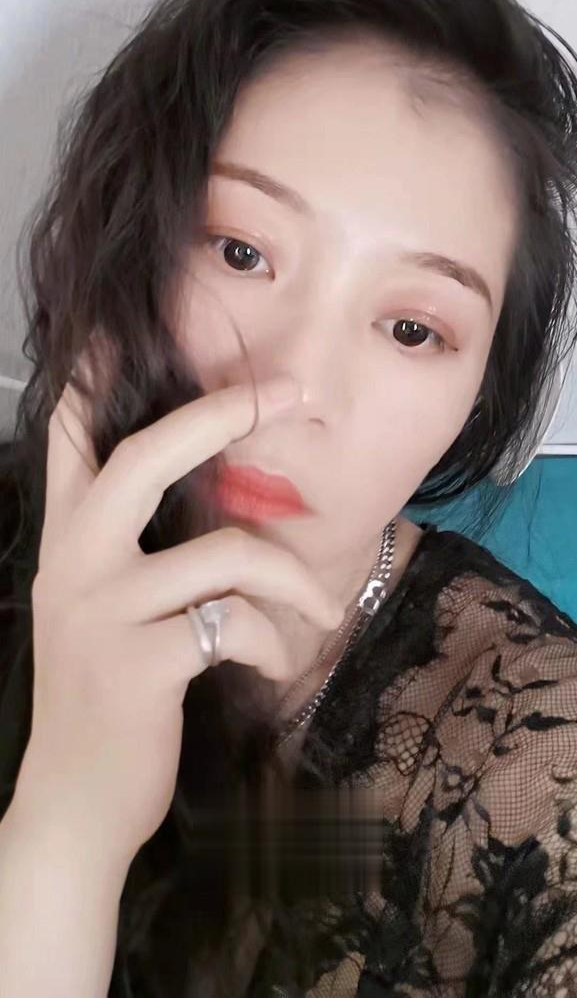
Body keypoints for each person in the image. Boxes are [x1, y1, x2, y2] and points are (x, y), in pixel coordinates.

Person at [0, 0, 577, 993]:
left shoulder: (534, 750)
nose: (290, 388)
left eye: (411, 330)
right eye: (240, 252)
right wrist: (67, 821)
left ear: (477, 393)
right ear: (134, 244)